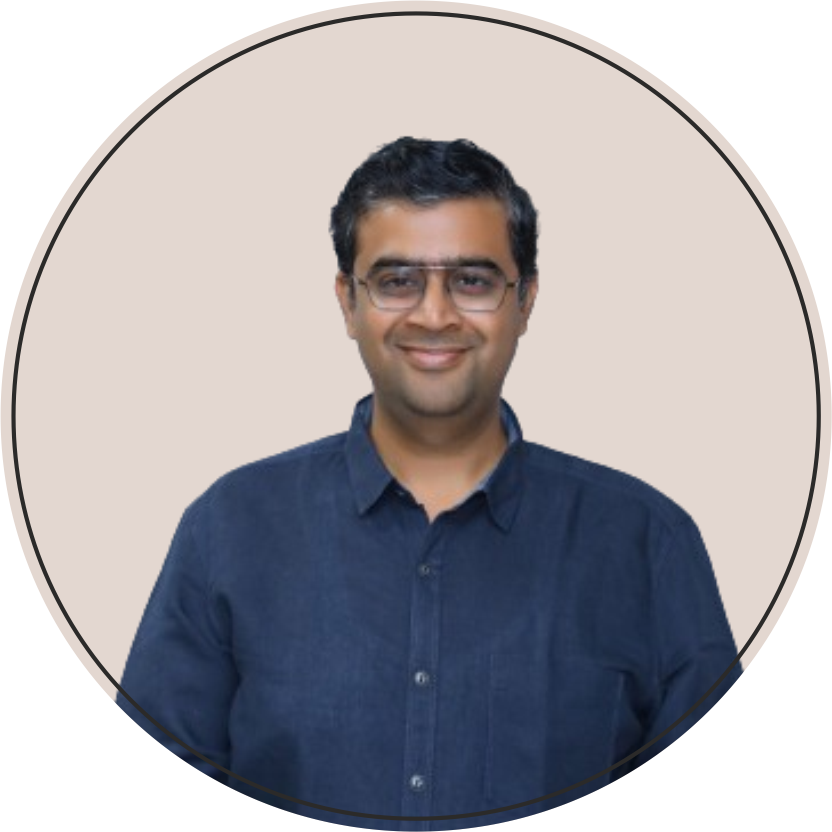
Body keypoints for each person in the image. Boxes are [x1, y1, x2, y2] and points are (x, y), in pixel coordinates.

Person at [117, 137, 742, 830]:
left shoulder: (648, 544)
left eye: (472, 281)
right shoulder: (229, 529)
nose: (435, 315)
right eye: (397, 281)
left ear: (525, 301)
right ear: (348, 303)